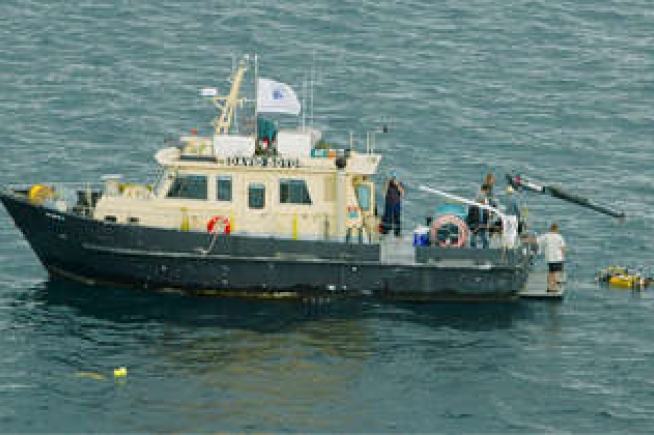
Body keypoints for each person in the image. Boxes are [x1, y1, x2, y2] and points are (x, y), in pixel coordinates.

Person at [537, 222, 566, 292]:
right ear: (556, 229)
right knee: (556, 273)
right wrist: (563, 257)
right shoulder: (559, 237)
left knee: (550, 272)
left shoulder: (546, 236)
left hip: (549, 258)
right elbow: (563, 248)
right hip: (557, 258)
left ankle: (549, 287)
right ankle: (554, 287)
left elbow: (537, 241)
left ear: (551, 228)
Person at [382, 170, 405, 237]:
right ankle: (385, 232)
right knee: (387, 217)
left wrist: (398, 185)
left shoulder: (399, 184)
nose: (394, 179)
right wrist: (387, 183)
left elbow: (403, 193)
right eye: (393, 177)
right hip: (389, 202)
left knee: (397, 217)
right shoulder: (388, 183)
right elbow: (384, 192)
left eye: (395, 177)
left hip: (397, 203)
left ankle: (397, 233)